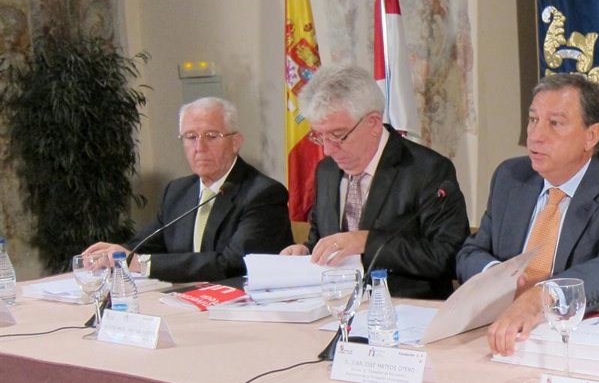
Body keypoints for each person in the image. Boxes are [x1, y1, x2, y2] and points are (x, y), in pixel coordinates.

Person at [457, 72, 599, 354]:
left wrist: (543, 296)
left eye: (555, 123)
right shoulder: (510, 177)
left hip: (581, 340)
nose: (536, 136)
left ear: (591, 135)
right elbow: (470, 253)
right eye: (533, 120)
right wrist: (496, 277)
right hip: (506, 331)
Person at [281, 64, 468, 298]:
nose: (328, 150)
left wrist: (367, 241)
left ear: (373, 123)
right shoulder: (326, 171)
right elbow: (322, 239)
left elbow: (448, 256)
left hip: (405, 307)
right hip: (334, 306)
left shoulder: (427, 170)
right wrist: (306, 253)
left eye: (338, 136)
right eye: (320, 136)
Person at [83, 98, 292, 282]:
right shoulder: (177, 191)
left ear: (235, 142)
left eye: (211, 136)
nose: (199, 147)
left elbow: (231, 264)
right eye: (191, 137)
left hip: (240, 304)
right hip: (183, 300)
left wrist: (141, 263)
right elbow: (145, 245)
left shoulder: (263, 194)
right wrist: (114, 255)